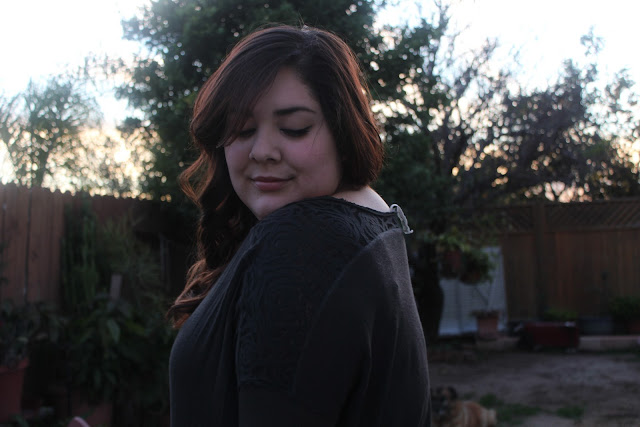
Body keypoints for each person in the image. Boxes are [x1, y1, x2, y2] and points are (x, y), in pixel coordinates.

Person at [168, 24, 432, 426]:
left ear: (343, 131)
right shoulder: (373, 219)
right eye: (242, 129)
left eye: (294, 128)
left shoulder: (304, 241)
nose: (262, 151)